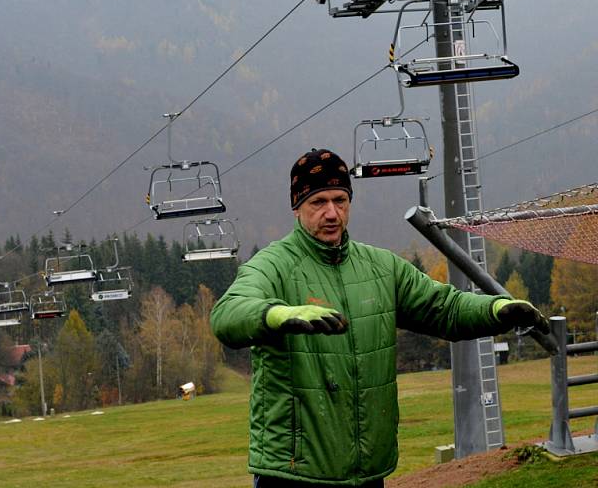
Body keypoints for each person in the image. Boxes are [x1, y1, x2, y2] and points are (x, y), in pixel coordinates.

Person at [210, 148, 548, 487]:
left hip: (368, 472)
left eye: (340, 200)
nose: (332, 213)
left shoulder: (381, 268)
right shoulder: (273, 266)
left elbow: (445, 307)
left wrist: (496, 310)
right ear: (297, 207)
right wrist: (277, 315)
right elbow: (227, 315)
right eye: (318, 202)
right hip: (293, 474)